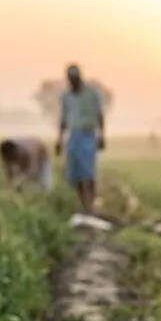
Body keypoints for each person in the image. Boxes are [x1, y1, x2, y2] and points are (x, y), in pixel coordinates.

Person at [55, 64, 105, 214]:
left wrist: (102, 135)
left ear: (80, 78)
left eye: (75, 79)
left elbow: (99, 115)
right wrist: (59, 140)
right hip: (73, 136)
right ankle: (82, 206)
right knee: (75, 173)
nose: (73, 82)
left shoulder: (92, 93)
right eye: (71, 79)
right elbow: (63, 120)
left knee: (87, 172)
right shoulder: (66, 96)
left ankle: (90, 206)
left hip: (88, 135)